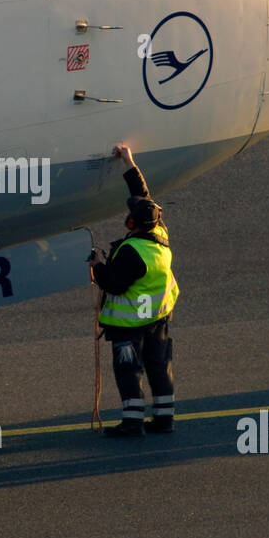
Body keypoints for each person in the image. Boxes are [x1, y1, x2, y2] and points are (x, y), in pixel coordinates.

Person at [91, 144, 178, 438]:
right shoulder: (159, 235)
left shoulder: (132, 252)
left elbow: (114, 283)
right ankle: (165, 419)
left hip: (129, 327)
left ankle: (132, 423)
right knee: (159, 367)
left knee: (129, 372)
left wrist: (97, 266)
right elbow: (144, 196)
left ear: (134, 224)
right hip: (158, 321)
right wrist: (129, 163)